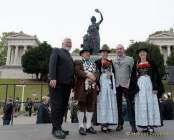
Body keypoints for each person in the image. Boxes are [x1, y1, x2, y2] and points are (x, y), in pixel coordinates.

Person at [129, 48, 165, 133]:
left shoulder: (151, 63)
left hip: (149, 85)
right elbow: (133, 77)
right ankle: (144, 125)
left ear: (146, 54)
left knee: (150, 104)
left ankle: (151, 125)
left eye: (144, 53)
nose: (142, 54)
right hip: (140, 86)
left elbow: (156, 76)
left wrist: (155, 87)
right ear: (139, 55)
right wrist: (134, 89)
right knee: (142, 105)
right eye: (141, 53)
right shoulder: (136, 63)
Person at [48, 38, 74, 139]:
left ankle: (58, 127)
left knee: (63, 107)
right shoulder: (57, 51)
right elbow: (52, 64)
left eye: (70, 42)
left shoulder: (69, 55)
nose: (69, 43)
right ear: (62, 43)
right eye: (67, 42)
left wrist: (73, 84)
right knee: (57, 106)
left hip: (67, 85)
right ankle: (56, 129)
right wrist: (53, 77)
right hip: (57, 84)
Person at [74, 48, 99, 136]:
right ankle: (81, 126)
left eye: (88, 53)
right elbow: (77, 71)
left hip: (92, 87)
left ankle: (88, 126)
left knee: (90, 106)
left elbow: (97, 73)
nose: (87, 54)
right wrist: (87, 74)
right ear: (82, 54)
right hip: (81, 87)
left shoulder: (93, 63)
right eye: (85, 53)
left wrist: (95, 77)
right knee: (81, 106)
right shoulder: (78, 62)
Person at [113, 44, 137, 133]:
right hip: (117, 85)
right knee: (118, 106)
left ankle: (133, 126)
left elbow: (133, 73)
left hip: (127, 86)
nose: (119, 50)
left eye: (120, 49)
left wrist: (130, 84)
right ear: (116, 51)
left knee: (130, 106)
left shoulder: (130, 59)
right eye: (117, 49)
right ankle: (120, 124)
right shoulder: (113, 60)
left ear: (124, 49)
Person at [95, 45, 118, 133]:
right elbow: (95, 74)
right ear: (100, 53)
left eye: (106, 52)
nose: (104, 54)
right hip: (101, 85)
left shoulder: (110, 62)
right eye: (103, 52)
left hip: (109, 85)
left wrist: (111, 74)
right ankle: (103, 124)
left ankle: (107, 124)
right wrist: (97, 84)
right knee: (102, 103)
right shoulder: (97, 62)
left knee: (109, 103)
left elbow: (114, 73)